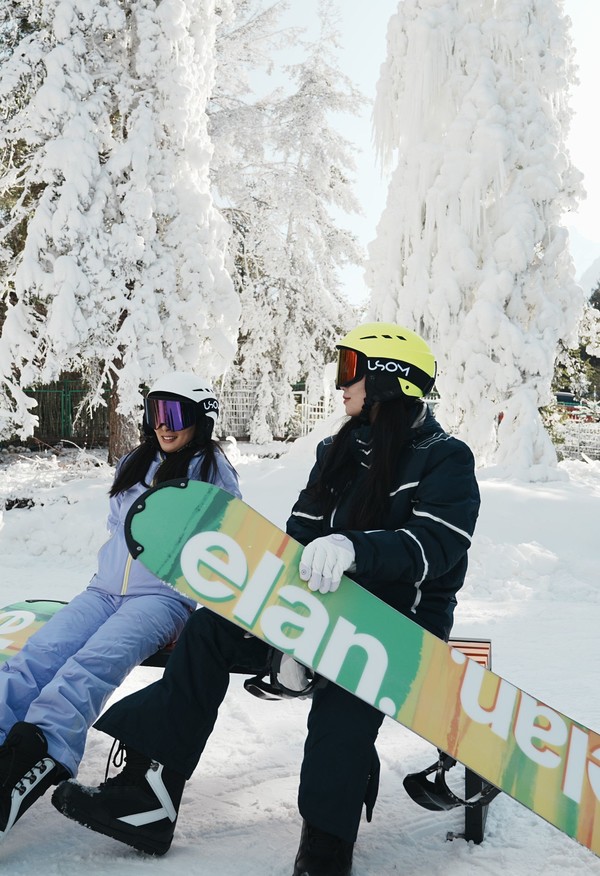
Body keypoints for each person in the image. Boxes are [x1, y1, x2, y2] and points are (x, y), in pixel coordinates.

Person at [51, 323, 480, 875]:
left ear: (388, 379)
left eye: (350, 369)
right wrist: (284, 631)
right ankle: (145, 799)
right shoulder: (337, 450)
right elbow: (298, 536)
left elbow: (438, 546)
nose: (338, 384)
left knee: (346, 697)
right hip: (315, 614)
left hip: (394, 628)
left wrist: (355, 550)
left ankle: (325, 849)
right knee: (208, 631)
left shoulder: (445, 457)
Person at [0, 371, 240, 840]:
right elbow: (119, 530)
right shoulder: (136, 460)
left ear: (202, 418)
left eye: (175, 415)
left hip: (160, 601)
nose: (163, 426)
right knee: (35, 658)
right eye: (155, 413)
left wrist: (187, 604)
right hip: (103, 591)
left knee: (84, 671)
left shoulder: (212, 472)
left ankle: (31, 760)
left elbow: (221, 551)